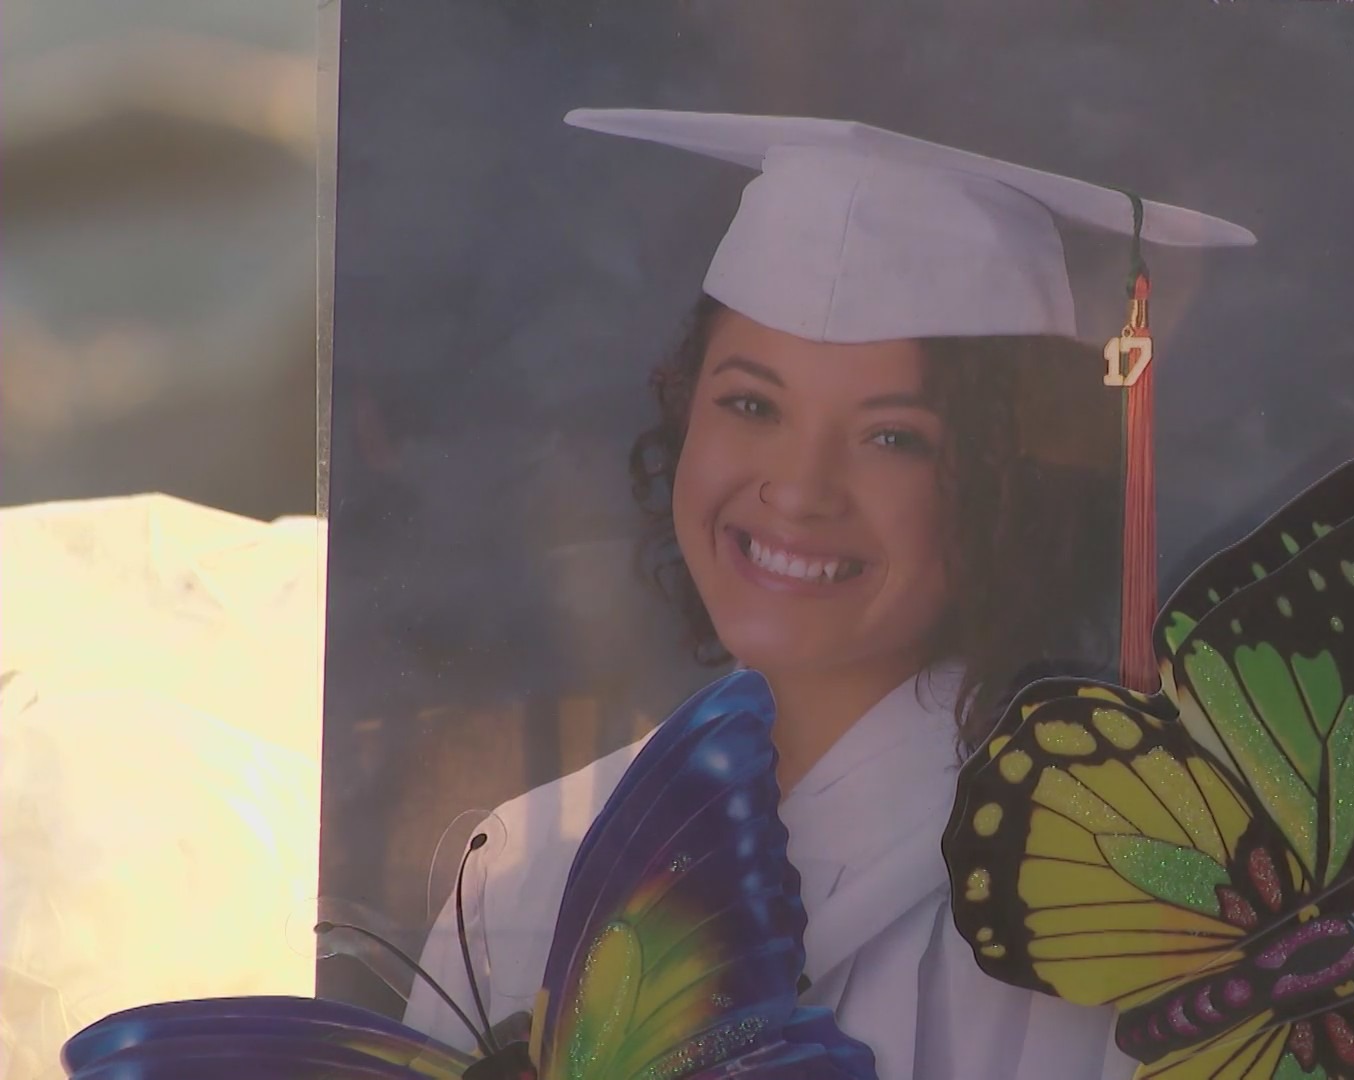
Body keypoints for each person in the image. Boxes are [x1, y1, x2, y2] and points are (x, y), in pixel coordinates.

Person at [401, 109, 1254, 1078]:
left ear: (1003, 489)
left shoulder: (1089, 902)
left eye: (893, 436)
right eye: (751, 404)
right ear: (684, 413)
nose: (798, 488)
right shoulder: (523, 874)